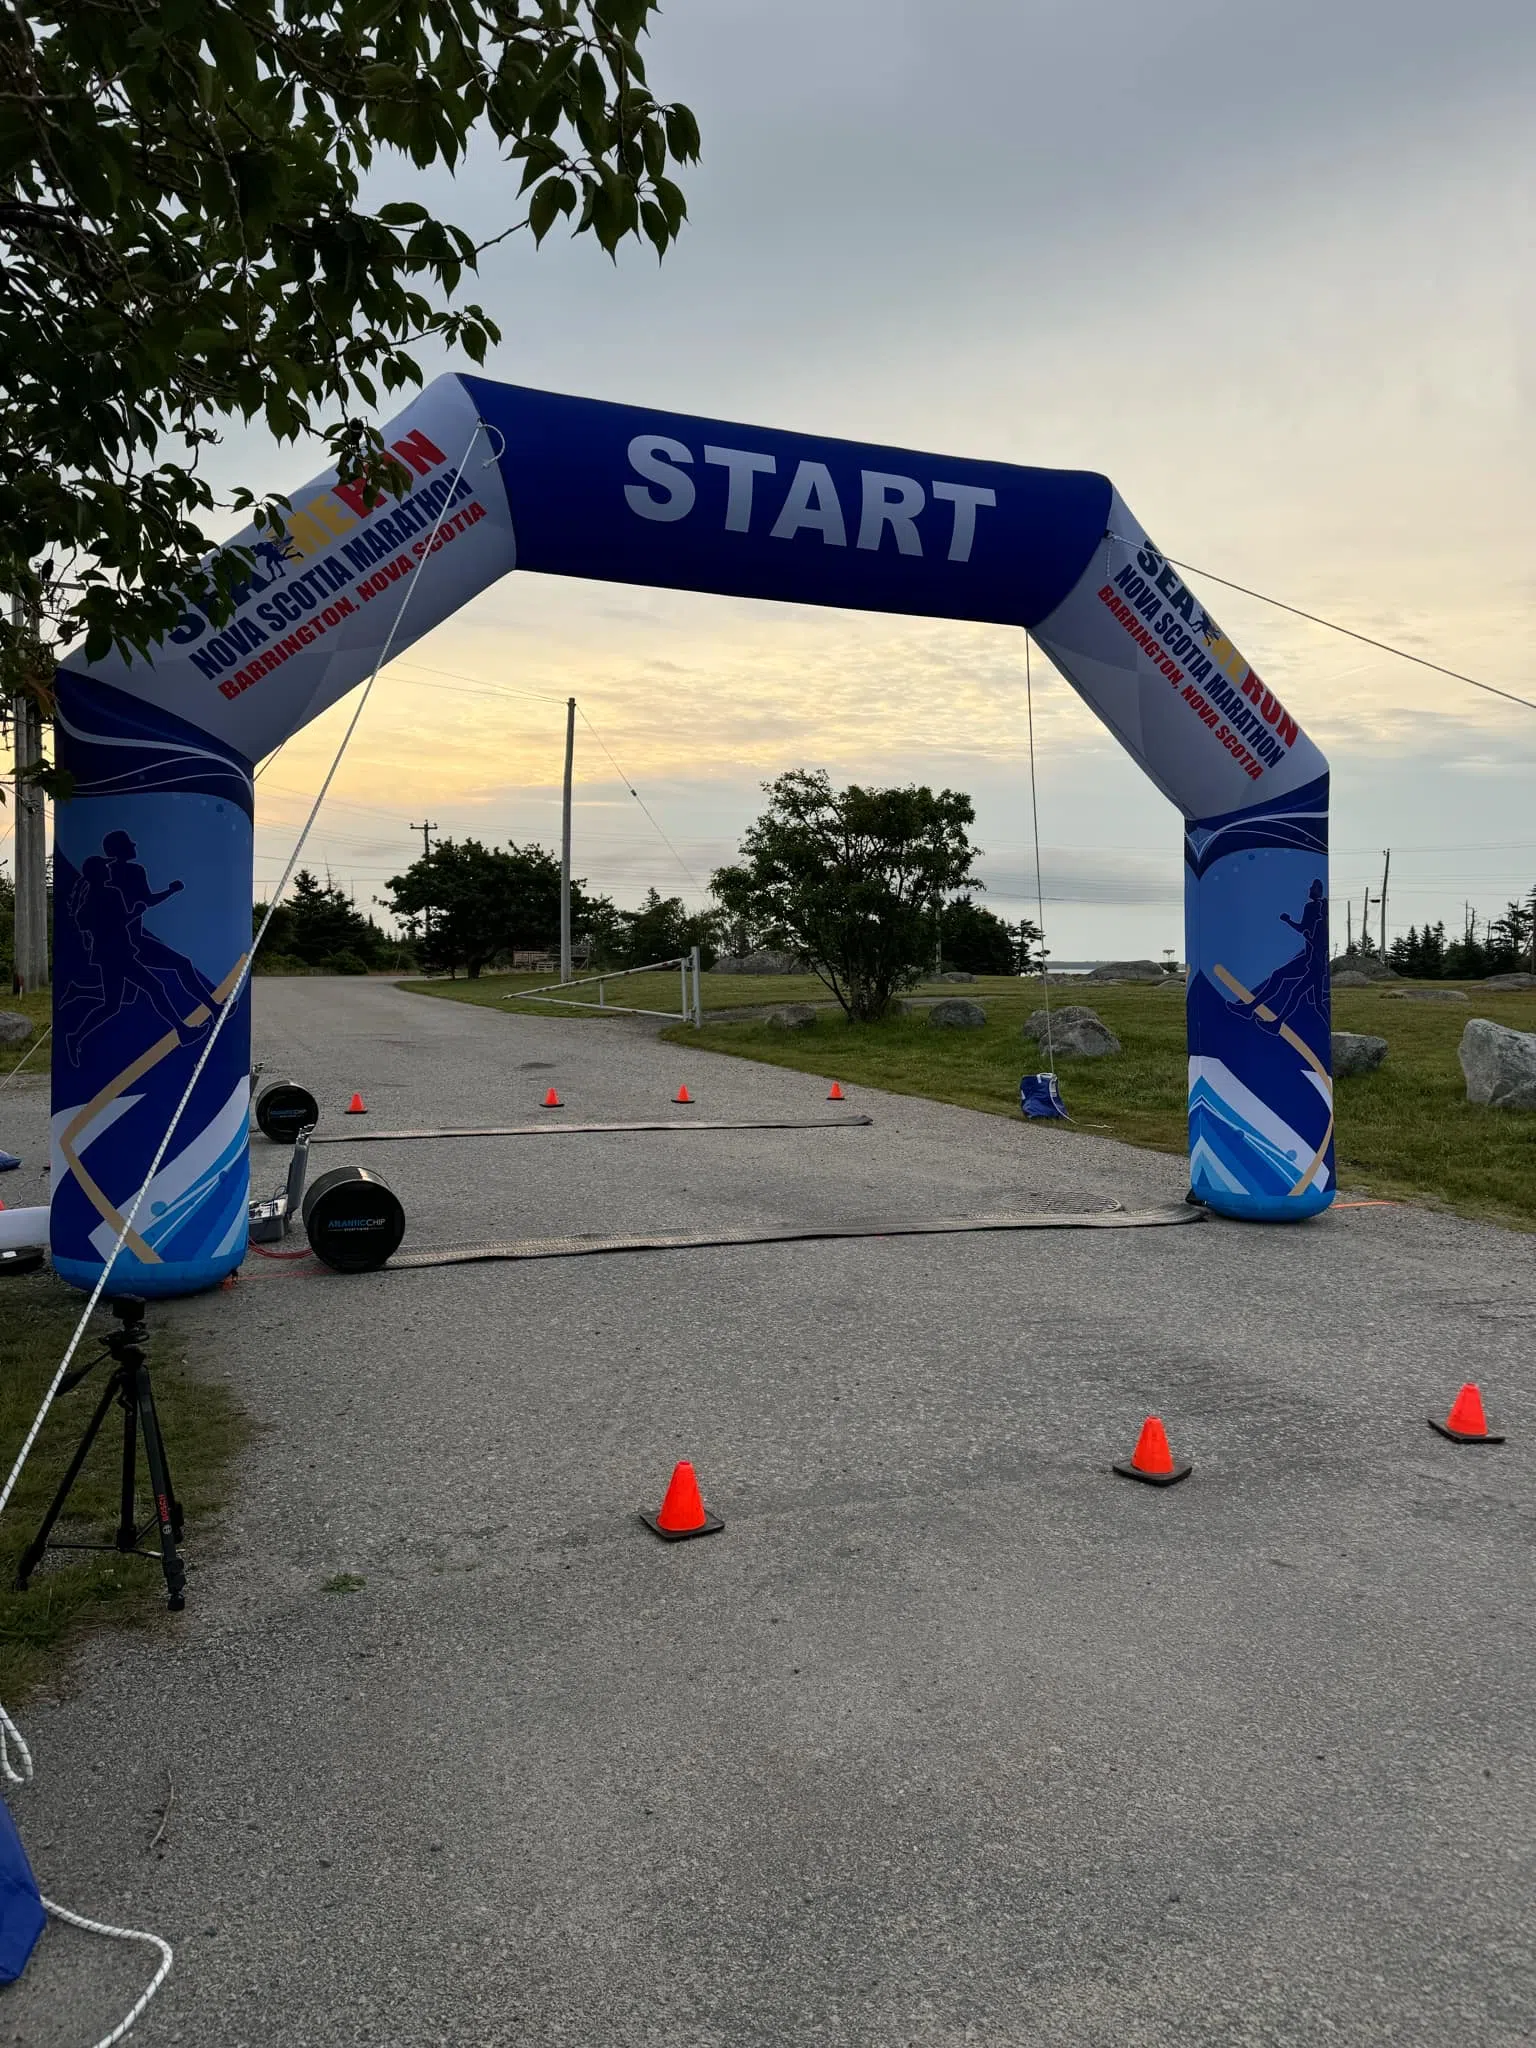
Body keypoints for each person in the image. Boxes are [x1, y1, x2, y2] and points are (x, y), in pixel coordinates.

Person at [1229, 878, 1328, 1037]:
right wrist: (1289, 921)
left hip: (1315, 961)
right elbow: (1303, 929)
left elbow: (1317, 938)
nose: (1309, 890)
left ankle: (1270, 1020)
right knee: (1282, 978)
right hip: (1309, 958)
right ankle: (1256, 1012)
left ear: (1318, 889)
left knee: (1312, 1001)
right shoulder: (1310, 907)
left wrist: (1307, 934)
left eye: (1313, 887)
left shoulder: (1323, 908)